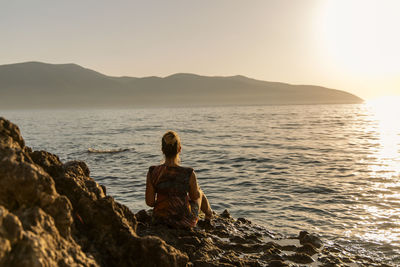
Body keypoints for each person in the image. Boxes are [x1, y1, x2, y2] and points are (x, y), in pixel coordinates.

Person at [145, 130, 212, 228]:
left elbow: (150, 203)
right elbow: (194, 197)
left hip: (159, 220)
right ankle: (209, 215)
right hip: (184, 222)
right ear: (179, 149)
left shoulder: (153, 171)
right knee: (199, 193)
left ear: (162, 150)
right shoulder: (188, 173)